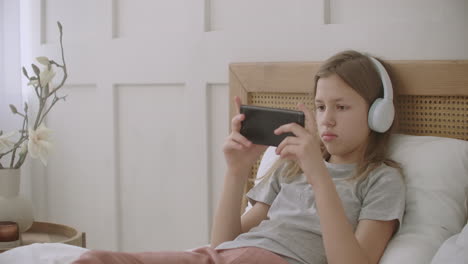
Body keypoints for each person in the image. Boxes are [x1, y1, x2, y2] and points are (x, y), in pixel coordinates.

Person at [72, 50, 405, 264]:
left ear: (379, 114)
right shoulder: (290, 168)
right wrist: (237, 170)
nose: (326, 119)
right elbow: (223, 244)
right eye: (320, 106)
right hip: (222, 258)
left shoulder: (380, 179)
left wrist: (320, 176)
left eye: (342, 107)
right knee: (94, 260)